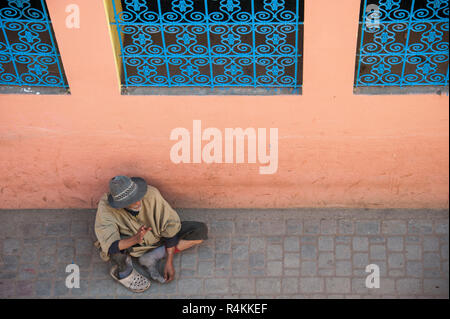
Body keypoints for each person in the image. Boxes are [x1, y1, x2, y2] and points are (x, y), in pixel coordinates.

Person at [94, 175, 208, 292]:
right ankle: (124, 272)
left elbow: (170, 227)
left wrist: (169, 260)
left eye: (138, 197)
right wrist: (135, 239)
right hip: (133, 245)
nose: (138, 202)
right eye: (132, 201)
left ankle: (152, 256)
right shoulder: (106, 209)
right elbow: (111, 245)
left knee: (200, 230)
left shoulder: (152, 194)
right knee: (112, 252)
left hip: (158, 236)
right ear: (121, 204)